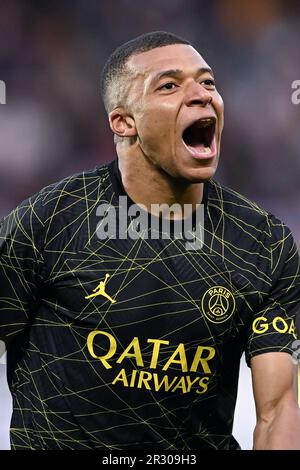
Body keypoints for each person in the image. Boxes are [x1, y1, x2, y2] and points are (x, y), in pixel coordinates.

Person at [0, 31, 299, 451]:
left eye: (208, 82)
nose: (201, 95)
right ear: (124, 121)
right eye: (169, 85)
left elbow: (277, 410)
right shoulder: (50, 221)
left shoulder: (262, 242)